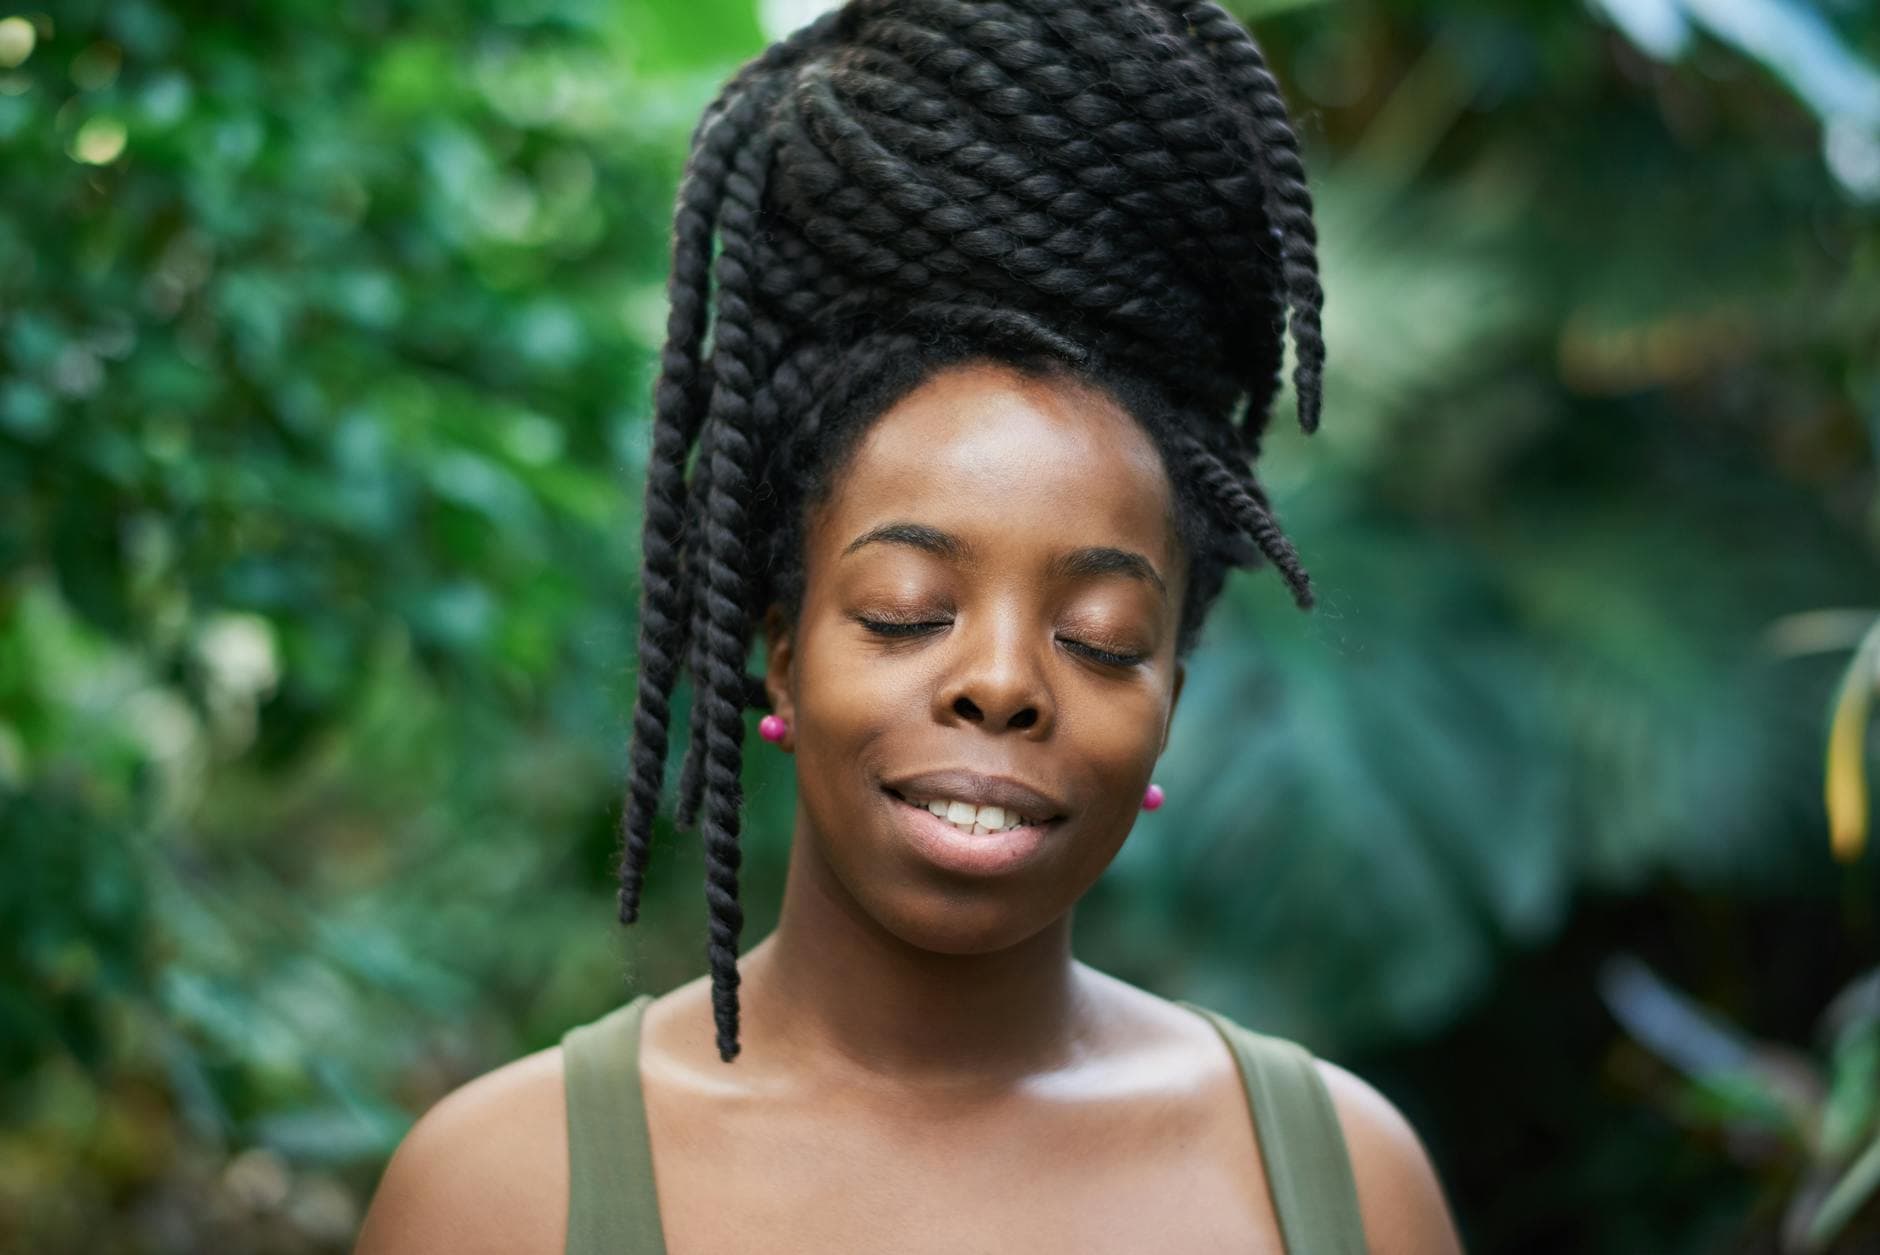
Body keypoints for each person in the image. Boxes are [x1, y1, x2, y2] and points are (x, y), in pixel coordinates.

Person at [356, 1, 1466, 1251]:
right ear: (778, 641)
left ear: (1171, 686)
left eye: (1099, 635)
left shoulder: (1338, 1184)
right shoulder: (499, 1193)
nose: (999, 682)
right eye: (905, 612)